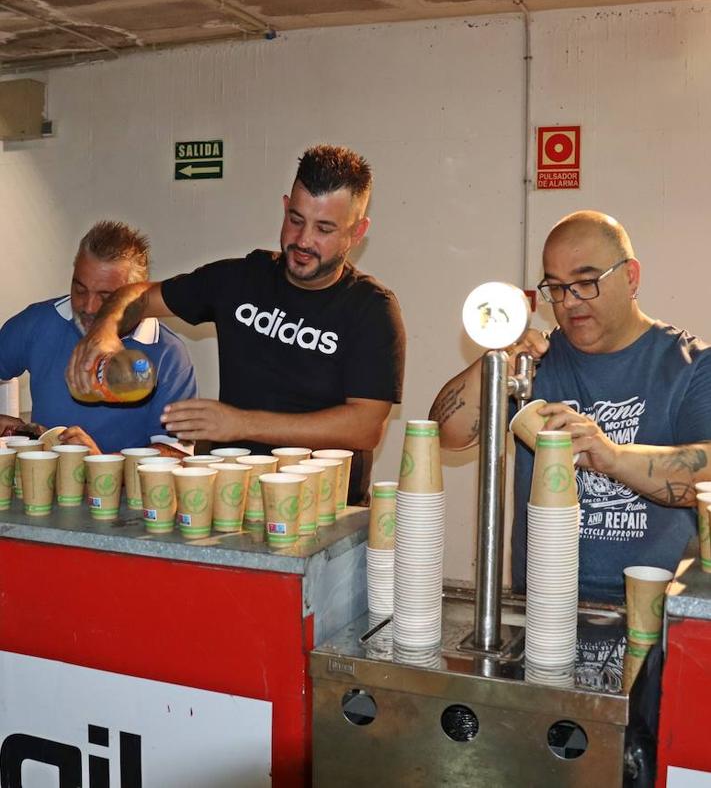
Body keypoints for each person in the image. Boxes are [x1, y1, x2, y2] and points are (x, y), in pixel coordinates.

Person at [67, 145, 406, 504]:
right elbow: (139, 296)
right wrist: (105, 331)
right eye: (295, 219)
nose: (303, 240)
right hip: (234, 507)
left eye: (324, 228)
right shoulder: (241, 280)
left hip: (325, 512)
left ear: (357, 232)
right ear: (285, 207)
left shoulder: (371, 309)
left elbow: (366, 426)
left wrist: (241, 423)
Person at [429, 210, 711, 603]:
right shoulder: (536, 362)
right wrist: (495, 364)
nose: (570, 301)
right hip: (541, 605)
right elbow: (446, 434)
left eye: (586, 282)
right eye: (557, 288)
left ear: (631, 276)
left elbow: (707, 475)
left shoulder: (690, 365)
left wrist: (610, 457)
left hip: (653, 614)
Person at [0, 220, 198, 455]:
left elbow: (176, 454)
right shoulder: (38, 322)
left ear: (136, 294)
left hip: (125, 492)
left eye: (106, 296)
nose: (89, 307)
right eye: (80, 289)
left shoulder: (169, 354)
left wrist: (100, 463)